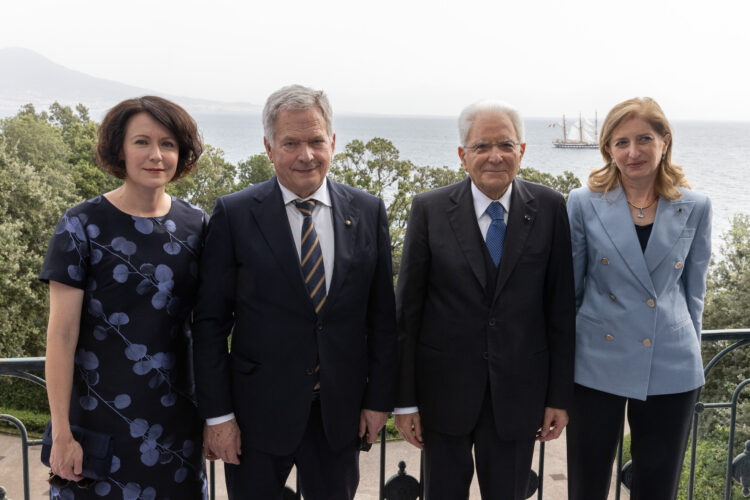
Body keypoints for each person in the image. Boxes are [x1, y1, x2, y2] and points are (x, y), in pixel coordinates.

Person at [192, 84, 397, 500]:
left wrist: (378, 402)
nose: (306, 154)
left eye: (316, 140)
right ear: (269, 148)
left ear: (333, 142)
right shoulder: (233, 215)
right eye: (291, 143)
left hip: (339, 416)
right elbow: (210, 324)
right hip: (255, 417)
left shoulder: (368, 210)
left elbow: (382, 319)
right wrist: (219, 416)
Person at [394, 99, 576, 499]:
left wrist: (558, 397)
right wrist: (404, 402)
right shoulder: (430, 209)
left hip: (519, 397)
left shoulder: (549, 207)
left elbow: (560, 309)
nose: (495, 156)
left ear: (522, 151)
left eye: (506, 145)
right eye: (481, 146)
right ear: (463, 155)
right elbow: (407, 312)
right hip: (443, 398)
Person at [40, 96, 208, 498]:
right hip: (97, 424)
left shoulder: (198, 225)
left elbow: (208, 327)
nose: (156, 155)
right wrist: (61, 432)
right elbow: (61, 335)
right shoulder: (81, 224)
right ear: (119, 148)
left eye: (168, 144)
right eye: (142, 142)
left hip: (176, 428)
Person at [565, 97, 712, 500]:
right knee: (587, 481)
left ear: (664, 141)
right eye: (621, 141)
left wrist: (690, 349)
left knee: (657, 484)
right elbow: (572, 290)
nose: (633, 152)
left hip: (671, 357)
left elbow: (693, 290)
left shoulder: (696, 206)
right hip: (597, 358)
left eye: (644, 138)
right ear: (608, 149)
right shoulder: (582, 203)